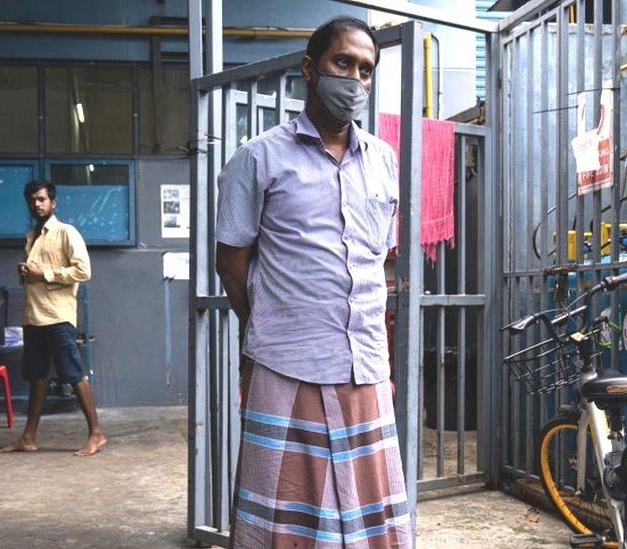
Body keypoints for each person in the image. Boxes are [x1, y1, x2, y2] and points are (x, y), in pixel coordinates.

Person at [215, 16, 412, 547]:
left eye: (365, 69)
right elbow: (231, 262)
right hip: (286, 361)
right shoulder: (257, 159)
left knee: (371, 516)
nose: (355, 80)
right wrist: (269, 325)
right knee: (286, 514)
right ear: (309, 68)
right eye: (342, 63)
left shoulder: (384, 161)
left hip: (364, 362)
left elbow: (376, 259)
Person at [0, 180, 106, 457]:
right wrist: (24, 274)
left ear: (53, 203)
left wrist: (43, 273)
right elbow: (32, 278)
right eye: (33, 200)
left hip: (58, 317)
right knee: (36, 377)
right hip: (33, 317)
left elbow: (83, 271)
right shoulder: (31, 235)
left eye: (42, 199)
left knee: (73, 374)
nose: (37, 204)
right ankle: (28, 437)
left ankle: (96, 433)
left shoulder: (66, 232)